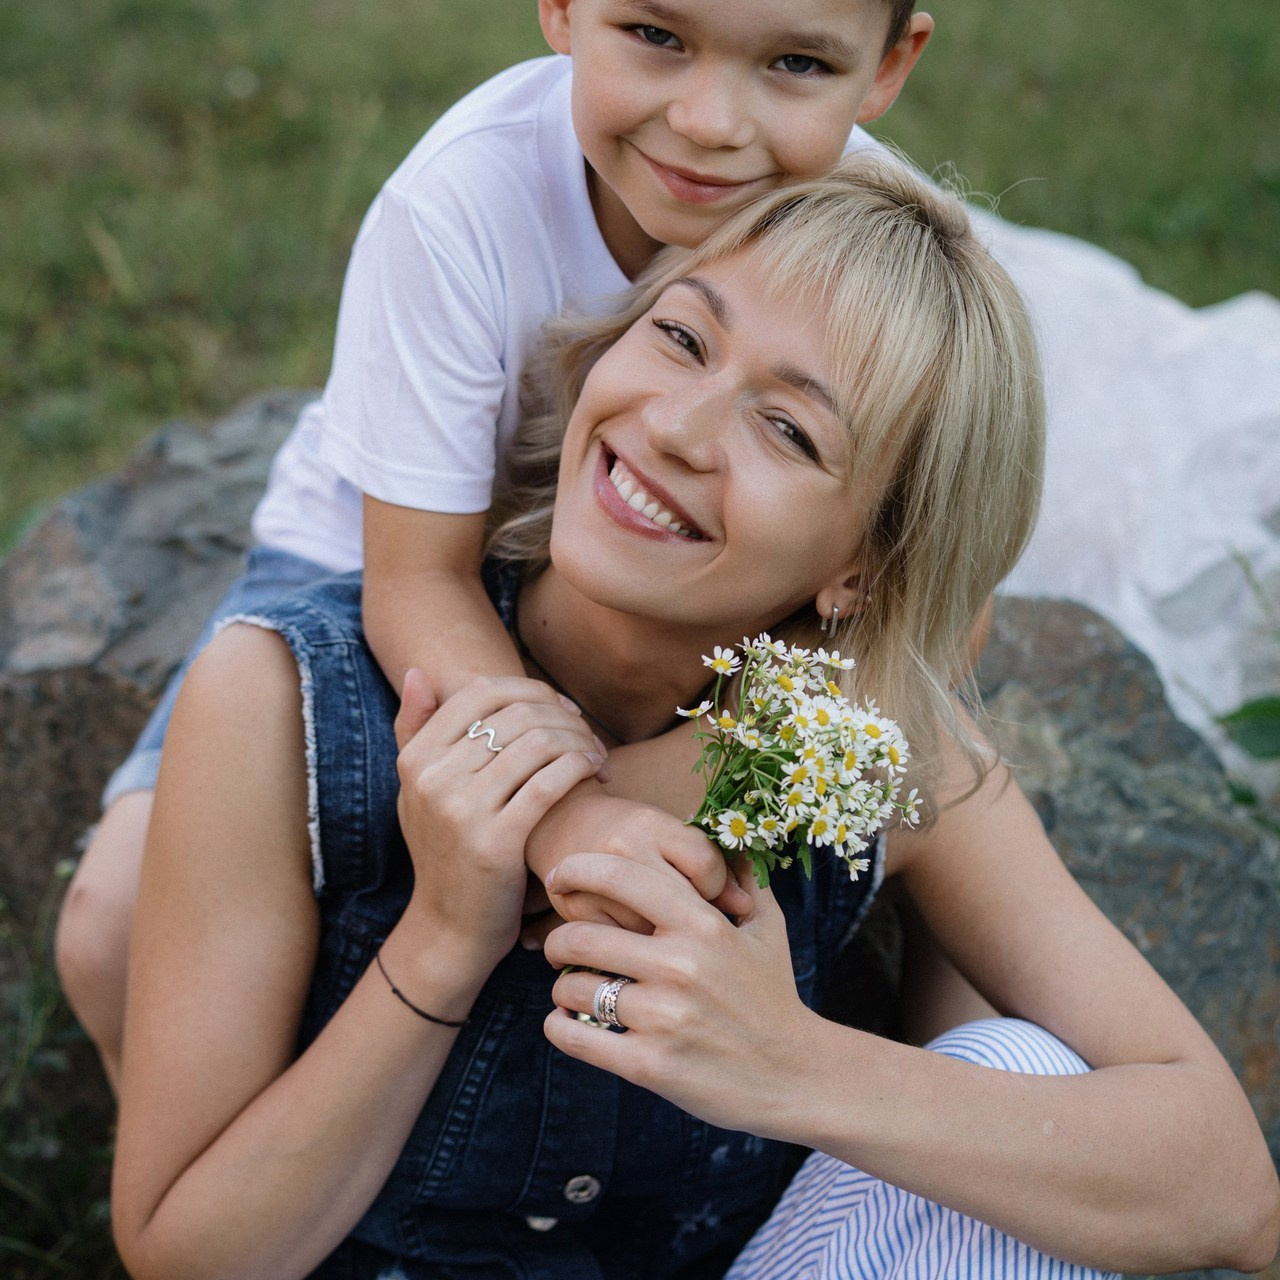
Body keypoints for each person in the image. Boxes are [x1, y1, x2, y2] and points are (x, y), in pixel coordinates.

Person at [111, 157, 1279, 1279]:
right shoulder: (287, 701)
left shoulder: (853, 756)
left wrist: (789, 1063)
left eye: (788, 429)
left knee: (1020, 1069)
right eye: (679, 337)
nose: (674, 426)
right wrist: (444, 939)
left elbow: (1232, 1193)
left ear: (861, 570)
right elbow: (185, 1254)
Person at [55, 0, 934, 1089]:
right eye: (657, 35)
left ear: (887, 64)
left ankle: (957, 1111)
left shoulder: (877, 237)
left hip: (667, 584)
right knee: (108, 926)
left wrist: (664, 786)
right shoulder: (462, 198)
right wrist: (565, 819)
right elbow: (415, 580)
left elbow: (942, 609)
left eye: (796, 62)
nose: (710, 122)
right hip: (389, 560)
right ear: (562, 8)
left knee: (922, 814)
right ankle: (219, 1131)